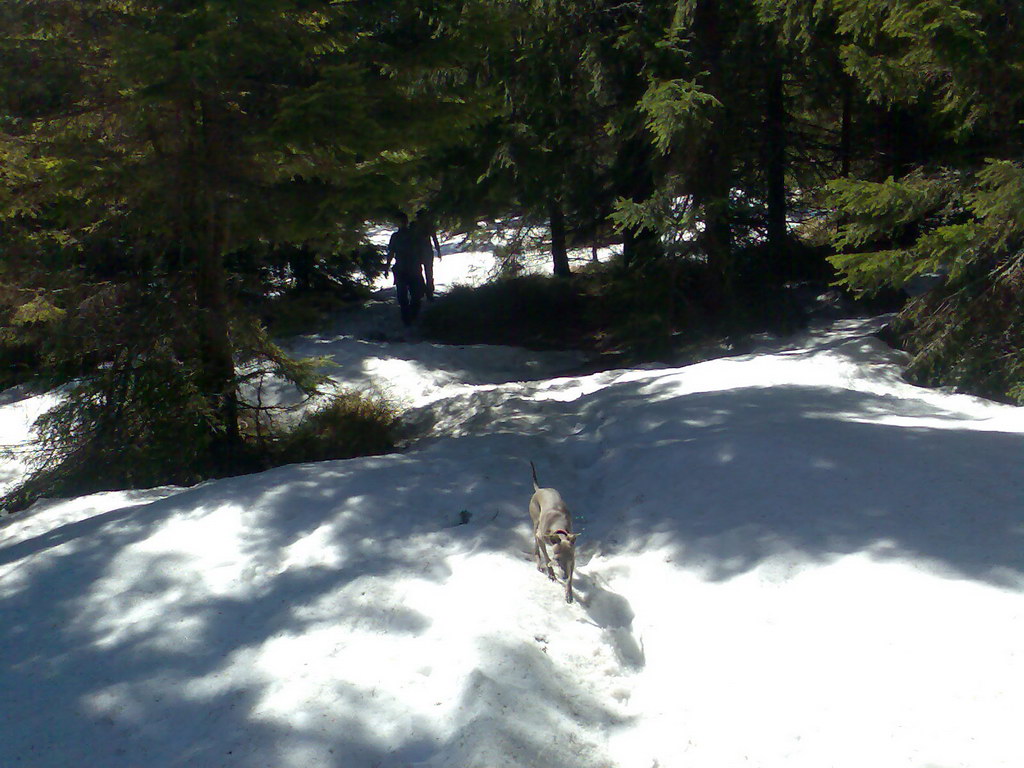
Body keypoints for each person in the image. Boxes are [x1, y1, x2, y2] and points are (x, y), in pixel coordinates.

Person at [385, 212, 426, 327]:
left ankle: (411, 317)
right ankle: (407, 319)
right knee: (403, 296)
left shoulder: (413, 235)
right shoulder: (396, 236)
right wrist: (387, 266)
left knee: (415, 295)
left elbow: (421, 250)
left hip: (412, 268)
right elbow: (391, 252)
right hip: (403, 268)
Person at [412, 210, 442, 300]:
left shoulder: (416, 225)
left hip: (420, 252)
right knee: (427, 272)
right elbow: (434, 239)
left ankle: (426, 291)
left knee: (422, 272)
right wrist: (438, 250)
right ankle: (428, 291)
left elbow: (434, 238)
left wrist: (438, 250)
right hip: (424, 252)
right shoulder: (426, 225)